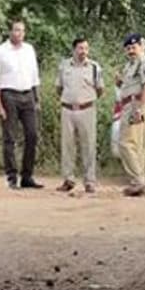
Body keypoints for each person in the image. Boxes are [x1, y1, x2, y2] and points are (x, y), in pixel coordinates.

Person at [0, 20, 43, 189]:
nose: (20, 33)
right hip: (8, 95)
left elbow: (34, 76)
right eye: (17, 30)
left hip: (27, 94)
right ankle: (12, 176)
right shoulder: (0, 52)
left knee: (32, 135)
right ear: (10, 32)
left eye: (23, 31)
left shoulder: (29, 50)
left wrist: (36, 99)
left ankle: (27, 176)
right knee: (10, 137)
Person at [56, 37, 104, 194]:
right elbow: (59, 87)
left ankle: (89, 181)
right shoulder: (64, 66)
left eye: (86, 49)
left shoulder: (94, 67)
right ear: (74, 49)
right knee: (68, 146)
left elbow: (100, 89)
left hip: (87, 109)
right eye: (81, 48)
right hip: (68, 110)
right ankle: (68, 179)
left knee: (88, 145)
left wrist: (86, 99)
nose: (84, 52)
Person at [116, 33, 145, 197]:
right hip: (138, 104)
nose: (131, 51)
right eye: (128, 48)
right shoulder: (131, 65)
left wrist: (139, 108)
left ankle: (137, 180)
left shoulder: (144, 63)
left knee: (126, 143)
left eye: (134, 47)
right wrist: (120, 82)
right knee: (143, 146)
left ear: (141, 46)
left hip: (136, 104)